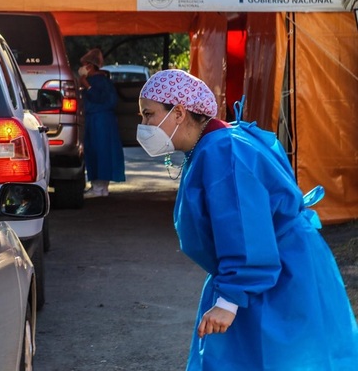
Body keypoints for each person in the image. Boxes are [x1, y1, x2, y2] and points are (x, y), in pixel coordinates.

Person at [137, 69, 358, 370]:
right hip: (268, 270)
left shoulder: (222, 150)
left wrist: (230, 300)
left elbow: (243, 227)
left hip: (272, 276)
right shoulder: (220, 141)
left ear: (177, 112)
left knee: (279, 359)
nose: (144, 125)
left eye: (149, 114)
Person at [78, 48, 125, 198]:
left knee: (99, 152)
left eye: (85, 64)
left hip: (100, 120)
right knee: (99, 151)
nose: (82, 68)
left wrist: (86, 85)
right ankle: (101, 187)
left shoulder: (100, 82)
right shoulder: (100, 81)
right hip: (99, 120)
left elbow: (102, 99)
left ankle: (99, 187)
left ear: (90, 66)